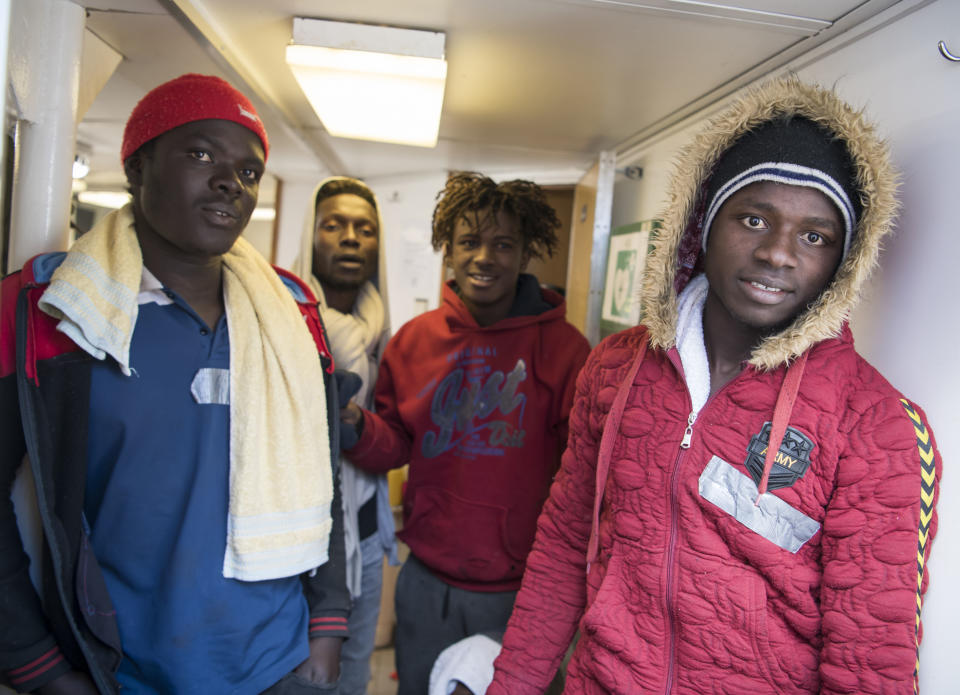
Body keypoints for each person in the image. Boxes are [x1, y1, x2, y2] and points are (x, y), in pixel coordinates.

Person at [487, 77, 944, 694]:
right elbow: (566, 546)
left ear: (843, 260)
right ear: (702, 225)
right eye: (754, 219)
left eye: (814, 236)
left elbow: (869, 658)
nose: (779, 254)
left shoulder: (876, 424)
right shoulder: (617, 369)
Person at [0, 74, 349, 694]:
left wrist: (325, 626)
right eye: (200, 153)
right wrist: (38, 665)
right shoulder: (52, 310)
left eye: (248, 172)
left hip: (276, 663)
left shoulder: (292, 317)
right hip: (119, 667)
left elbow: (322, 472)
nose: (229, 183)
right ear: (137, 168)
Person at [341, 172, 591, 695]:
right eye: (469, 242)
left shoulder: (565, 350)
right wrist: (357, 426)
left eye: (503, 244)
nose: (484, 257)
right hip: (427, 580)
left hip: (521, 591)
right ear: (447, 250)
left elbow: (581, 476)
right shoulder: (414, 341)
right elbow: (395, 444)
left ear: (525, 253)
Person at [296, 177, 398, 695]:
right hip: (300, 532)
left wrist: (359, 426)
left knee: (354, 668)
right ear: (309, 237)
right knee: (299, 671)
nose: (351, 238)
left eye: (365, 228)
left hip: (367, 529)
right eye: (333, 225)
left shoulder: (386, 331)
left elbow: (396, 441)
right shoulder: (283, 317)